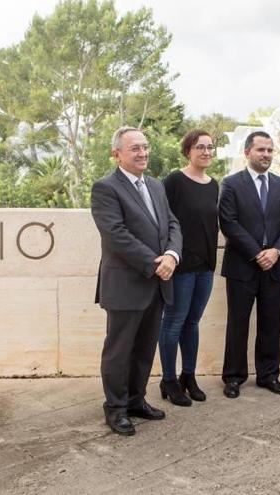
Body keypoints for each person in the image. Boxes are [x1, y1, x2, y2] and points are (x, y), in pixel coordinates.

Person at [90, 126, 182, 435]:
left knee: (144, 349)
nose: (143, 153)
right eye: (135, 149)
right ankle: (115, 409)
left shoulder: (155, 185)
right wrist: (155, 263)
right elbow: (116, 235)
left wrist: (172, 255)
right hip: (126, 285)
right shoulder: (105, 188)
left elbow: (171, 223)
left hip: (157, 283)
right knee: (119, 350)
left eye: (145, 147)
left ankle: (135, 399)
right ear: (117, 155)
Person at [219, 131, 280, 399]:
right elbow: (228, 223)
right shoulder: (230, 184)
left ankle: (268, 375)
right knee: (238, 323)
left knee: (270, 323)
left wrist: (275, 251)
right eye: (261, 150)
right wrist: (257, 253)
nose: (266, 155)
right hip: (242, 266)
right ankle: (233, 377)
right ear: (247, 152)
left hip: (274, 267)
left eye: (270, 150)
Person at [157, 130, 219, 407]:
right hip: (180, 265)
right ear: (187, 151)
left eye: (209, 147)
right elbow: (161, 220)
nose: (205, 152)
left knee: (192, 323)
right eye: (199, 147)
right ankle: (168, 379)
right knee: (173, 323)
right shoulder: (174, 181)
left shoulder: (213, 184)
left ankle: (188, 376)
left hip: (205, 265)